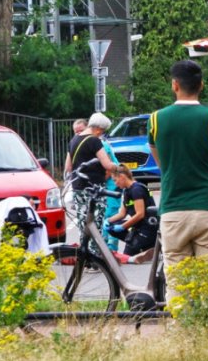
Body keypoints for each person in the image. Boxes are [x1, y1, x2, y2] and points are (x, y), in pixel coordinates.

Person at [149, 60, 208, 302]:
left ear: (175, 85)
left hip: (173, 210)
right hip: (207, 207)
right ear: (201, 85)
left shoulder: (156, 119)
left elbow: (162, 162)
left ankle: (182, 332)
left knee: (177, 282)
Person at [65, 112, 117, 256]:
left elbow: (68, 167)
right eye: (103, 131)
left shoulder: (74, 140)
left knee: (83, 223)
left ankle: (85, 256)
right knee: (95, 224)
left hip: (78, 188)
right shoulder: (94, 141)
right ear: (99, 129)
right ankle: (95, 258)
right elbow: (106, 164)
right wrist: (118, 167)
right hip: (94, 188)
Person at [105, 164, 158, 261]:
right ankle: (139, 244)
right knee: (111, 226)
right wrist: (108, 221)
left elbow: (140, 214)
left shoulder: (136, 189)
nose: (115, 184)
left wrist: (123, 226)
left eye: (115, 180)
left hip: (148, 228)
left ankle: (146, 244)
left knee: (127, 256)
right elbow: (122, 213)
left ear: (122, 176)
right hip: (138, 227)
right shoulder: (126, 190)